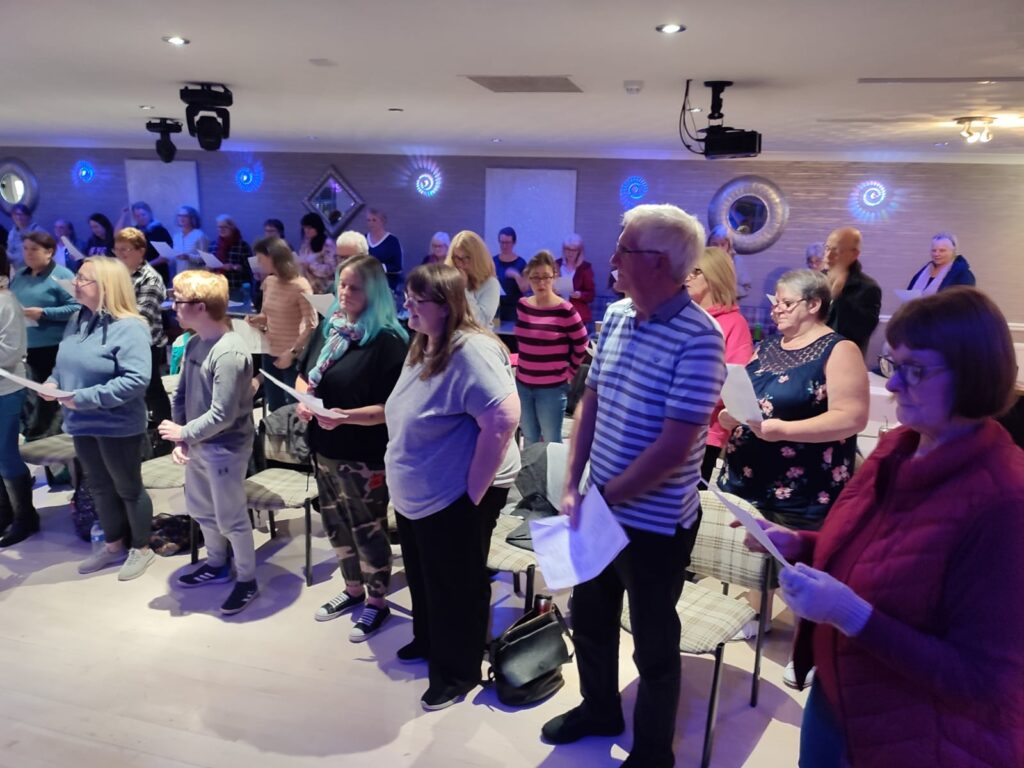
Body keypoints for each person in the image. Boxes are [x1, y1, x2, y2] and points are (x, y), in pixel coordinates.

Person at [744, 287, 1024, 768]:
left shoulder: (1004, 501)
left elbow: (984, 679)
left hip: (911, 731)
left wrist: (850, 614)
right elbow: (877, 551)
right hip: (842, 693)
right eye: (895, 365)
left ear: (973, 374)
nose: (892, 387)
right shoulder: (901, 446)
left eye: (914, 371)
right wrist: (801, 544)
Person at [542, 204, 725, 768]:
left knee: (653, 642)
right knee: (591, 620)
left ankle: (652, 752)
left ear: (660, 262)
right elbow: (591, 398)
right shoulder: (618, 314)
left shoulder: (701, 339)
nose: (612, 259)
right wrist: (572, 482)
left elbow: (673, 451)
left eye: (623, 250)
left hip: (655, 525)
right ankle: (600, 709)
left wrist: (600, 495)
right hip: (601, 504)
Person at [384, 263, 520, 711]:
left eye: (416, 300)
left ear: (445, 306)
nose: (407, 305)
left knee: (456, 584)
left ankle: (458, 671)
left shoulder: (471, 350)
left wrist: (474, 492)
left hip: (455, 493)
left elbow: (502, 418)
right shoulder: (424, 341)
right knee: (425, 576)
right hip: (419, 492)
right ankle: (429, 642)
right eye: (406, 296)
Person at [296, 254, 408, 640]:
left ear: (374, 292)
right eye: (341, 284)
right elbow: (302, 377)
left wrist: (346, 417)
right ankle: (353, 589)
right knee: (336, 525)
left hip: (363, 454)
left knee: (368, 529)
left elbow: (391, 409)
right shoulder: (332, 329)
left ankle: (377, 602)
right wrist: (303, 401)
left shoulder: (390, 342)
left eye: (353, 287)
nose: (343, 293)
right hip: (324, 446)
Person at [718, 269, 868, 530]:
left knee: (782, 569)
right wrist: (729, 416)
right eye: (775, 303)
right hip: (743, 485)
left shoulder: (839, 349)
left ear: (813, 304)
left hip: (799, 497)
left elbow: (851, 417)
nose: (777, 310)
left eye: (786, 303)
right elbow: (746, 394)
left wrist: (786, 430)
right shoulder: (767, 346)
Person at [44, 258, 155, 580]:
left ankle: (141, 548)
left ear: (107, 286)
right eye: (77, 277)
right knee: (99, 488)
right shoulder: (79, 318)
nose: (75, 283)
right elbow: (63, 364)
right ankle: (113, 544)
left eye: (84, 279)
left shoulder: (130, 326)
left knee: (128, 488)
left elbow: (135, 380)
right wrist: (52, 383)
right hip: (81, 422)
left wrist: (83, 398)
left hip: (116, 424)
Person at [159, 270, 259, 615]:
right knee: (202, 510)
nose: (173, 307)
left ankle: (247, 580)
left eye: (178, 300)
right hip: (200, 444)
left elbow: (223, 415)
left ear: (200, 307)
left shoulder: (229, 352)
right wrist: (183, 437)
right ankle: (216, 564)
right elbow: (183, 394)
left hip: (226, 447)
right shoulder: (195, 342)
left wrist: (183, 433)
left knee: (231, 517)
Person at [685, 246, 754, 480]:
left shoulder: (735, 324)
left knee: (686, 503)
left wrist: (682, 396)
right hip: (664, 422)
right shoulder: (682, 316)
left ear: (714, 276)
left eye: (695, 271)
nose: (687, 276)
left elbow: (732, 382)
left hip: (703, 432)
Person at [10, 231, 79, 440]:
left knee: (52, 393)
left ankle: (54, 435)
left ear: (49, 252)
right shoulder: (20, 276)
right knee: (34, 393)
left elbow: (77, 306)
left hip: (55, 344)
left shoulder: (62, 275)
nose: (28, 254)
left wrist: (45, 312)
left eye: (34, 249)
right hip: (27, 344)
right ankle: (38, 432)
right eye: (25, 249)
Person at [514, 250, 588, 444]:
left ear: (554, 277)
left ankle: (553, 475)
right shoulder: (522, 305)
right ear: (528, 278)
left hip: (552, 387)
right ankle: (532, 475)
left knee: (551, 440)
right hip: (523, 383)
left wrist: (570, 372)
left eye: (546, 277)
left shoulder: (565, 310)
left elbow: (582, 342)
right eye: (535, 278)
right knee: (528, 437)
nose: (541, 283)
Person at [246, 237, 317, 411]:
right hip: (269, 352)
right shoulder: (269, 282)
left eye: (261, 258)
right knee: (275, 407)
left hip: (290, 356)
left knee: (294, 409)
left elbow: (311, 324)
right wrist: (256, 320)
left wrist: (292, 352)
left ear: (273, 257)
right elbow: (266, 315)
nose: (259, 263)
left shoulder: (300, 285)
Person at [112, 227, 172, 427]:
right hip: (118, 340)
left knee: (152, 388)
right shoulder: (114, 276)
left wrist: (109, 311)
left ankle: (164, 431)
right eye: (117, 249)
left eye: (126, 249)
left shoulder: (150, 278)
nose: (120, 254)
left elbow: (140, 316)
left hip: (146, 343)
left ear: (141, 251)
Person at [0, 243, 38, 547]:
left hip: (6, 388)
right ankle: (4, 513)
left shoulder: (6, 300)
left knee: (5, 454)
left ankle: (25, 517)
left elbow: (11, 350)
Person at [823, 227, 881, 354]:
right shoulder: (816, 280)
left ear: (854, 254)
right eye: (827, 248)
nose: (828, 255)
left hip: (843, 360)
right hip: (810, 357)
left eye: (836, 250)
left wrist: (840, 297)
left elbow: (861, 332)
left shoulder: (868, 288)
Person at [446, 230, 500, 328]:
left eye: (465, 258)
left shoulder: (491, 284)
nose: (460, 264)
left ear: (477, 259)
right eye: (456, 258)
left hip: (476, 339)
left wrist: (464, 289)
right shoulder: (448, 280)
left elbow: (481, 322)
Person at [117, 202, 173, 284]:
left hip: (156, 274)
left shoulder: (158, 231)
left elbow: (166, 256)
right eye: (137, 216)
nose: (141, 218)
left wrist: (145, 266)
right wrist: (124, 215)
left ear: (149, 214)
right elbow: (117, 235)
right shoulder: (135, 231)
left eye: (143, 215)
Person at [906, 231, 976, 294]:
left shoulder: (963, 274)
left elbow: (965, 303)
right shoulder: (924, 271)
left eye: (942, 250)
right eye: (934, 250)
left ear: (953, 252)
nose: (936, 254)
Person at [556, 233, 596, 333]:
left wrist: (580, 295)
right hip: (557, 314)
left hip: (577, 315)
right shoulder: (556, 264)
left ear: (579, 251)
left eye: (573, 250)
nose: (570, 253)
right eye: (567, 249)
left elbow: (591, 295)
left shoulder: (585, 268)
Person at [211, 215, 255, 301]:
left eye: (224, 227)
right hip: (216, 287)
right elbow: (208, 265)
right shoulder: (213, 245)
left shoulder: (242, 245)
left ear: (232, 227)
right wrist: (209, 267)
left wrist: (235, 267)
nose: (221, 230)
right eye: (219, 227)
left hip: (236, 287)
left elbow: (251, 269)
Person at [707, 224, 753, 299]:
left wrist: (727, 289)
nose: (718, 248)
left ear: (729, 246)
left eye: (722, 244)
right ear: (709, 244)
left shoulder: (736, 261)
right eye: (714, 244)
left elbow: (746, 288)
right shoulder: (702, 259)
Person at [297, 213, 337, 295]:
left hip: (323, 289)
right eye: (305, 227)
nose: (306, 230)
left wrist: (311, 266)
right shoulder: (305, 244)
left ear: (317, 228)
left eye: (310, 228)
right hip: (306, 287)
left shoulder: (327, 244)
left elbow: (331, 269)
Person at [494, 226, 527, 322]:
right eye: (502, 242)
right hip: (496, 308)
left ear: (514, 243)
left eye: (507, 243)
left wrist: (516, 275)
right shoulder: (493, 261)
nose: (504, 246)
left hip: (514, 309)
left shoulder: (521, 263)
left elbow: (524, 288)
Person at [365, 208, 403, 291]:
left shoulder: (392, 241)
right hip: (366, 285)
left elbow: (397, 267)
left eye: (374, 220)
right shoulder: (363, 239)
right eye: (368, 220)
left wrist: (379, 268)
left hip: (386, 285)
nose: (371, 223)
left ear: (383, 221)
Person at [168, 206, 209, 280]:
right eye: (180, 216)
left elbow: (205, 259)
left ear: (192, 218)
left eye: (185, 216)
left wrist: (188, 257)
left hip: (195, 277)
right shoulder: (176, 236)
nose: (182, 218)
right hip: (180, 276)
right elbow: (175, 256)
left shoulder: (199, 235)